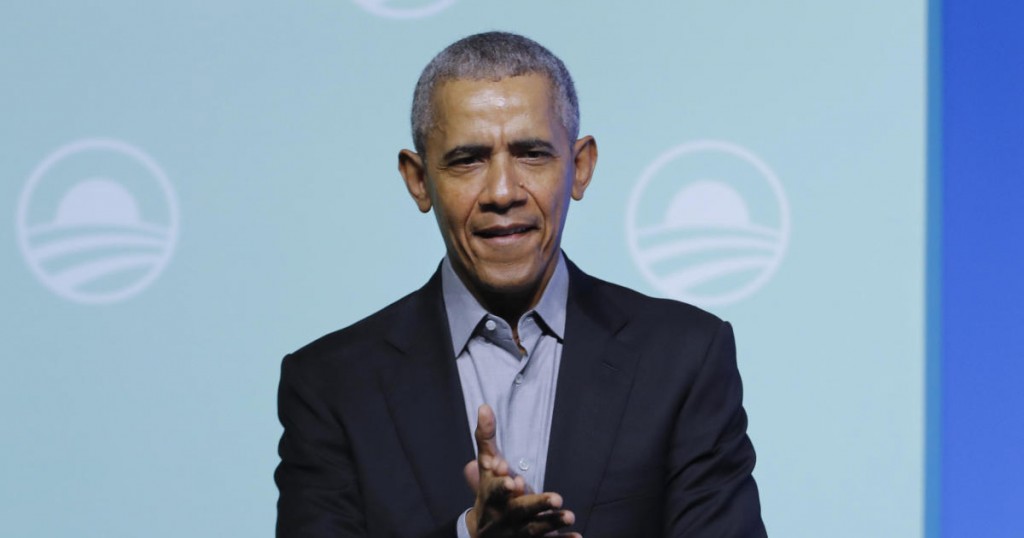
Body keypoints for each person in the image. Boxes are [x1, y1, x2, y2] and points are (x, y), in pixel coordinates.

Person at [275, 31, 766, 537]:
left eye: (532, 153)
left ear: (579, 167)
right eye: (468, 159)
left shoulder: (684, 356)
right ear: (418, 180)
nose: (503, 192)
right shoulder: (330, 385)